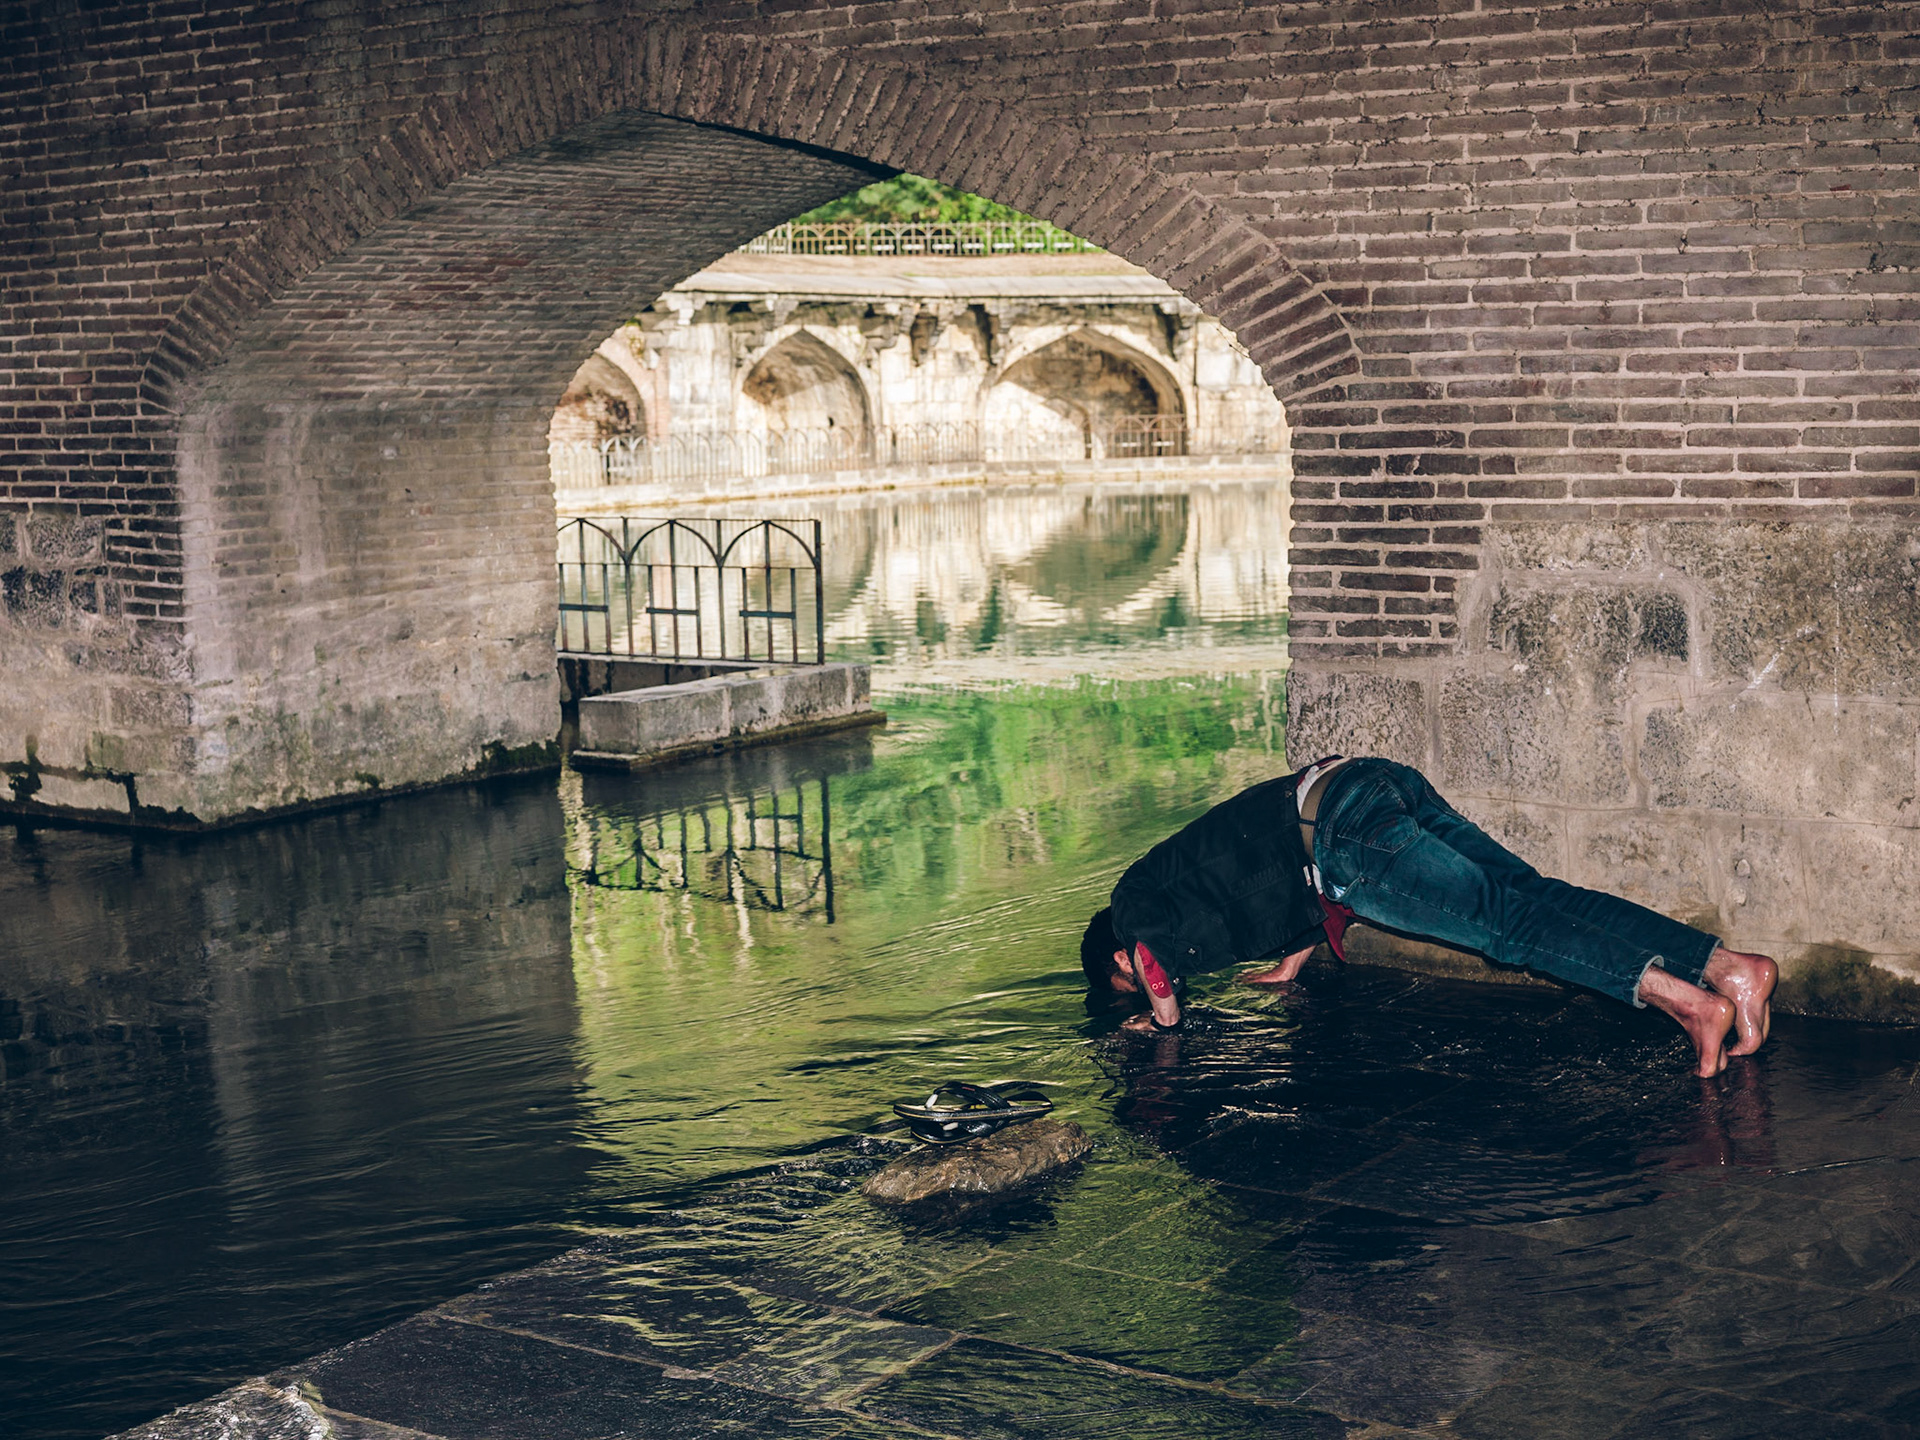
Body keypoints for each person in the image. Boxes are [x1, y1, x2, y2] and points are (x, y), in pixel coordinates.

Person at [1082, 756, 1777, 1077]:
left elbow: (1151, 960)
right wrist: (1293, 960)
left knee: (1511, 929)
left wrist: (1163, 1027)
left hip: (1343, 835)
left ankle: (1685, 1002)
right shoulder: (1175, 881)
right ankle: (1730, 970)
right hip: (1361, 784)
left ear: (1115, 958)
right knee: (1535, 897)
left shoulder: (1132, 905)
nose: (1145, 984)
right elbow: (1270, 878)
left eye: (1128, 988)